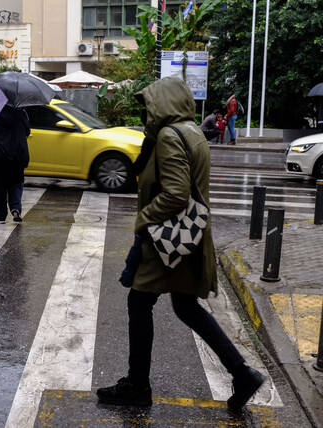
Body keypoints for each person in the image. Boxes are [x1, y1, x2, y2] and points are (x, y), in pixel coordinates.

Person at [96, 77, 265, 410]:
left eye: (149, 108)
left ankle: (138, 386)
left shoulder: (170, 137)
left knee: (139, 303)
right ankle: (242, 373)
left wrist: (144, 218)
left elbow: (176, 193)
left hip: (166, 241)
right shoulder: (191, 132)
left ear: (165, 105)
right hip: (188, 238)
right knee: (186, 306)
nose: (146, 115)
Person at [0, 104, 30, 224]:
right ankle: (16, 207)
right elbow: (27, 132)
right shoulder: (21, 112)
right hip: (17, 154)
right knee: (16, 182)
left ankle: (0, 216)